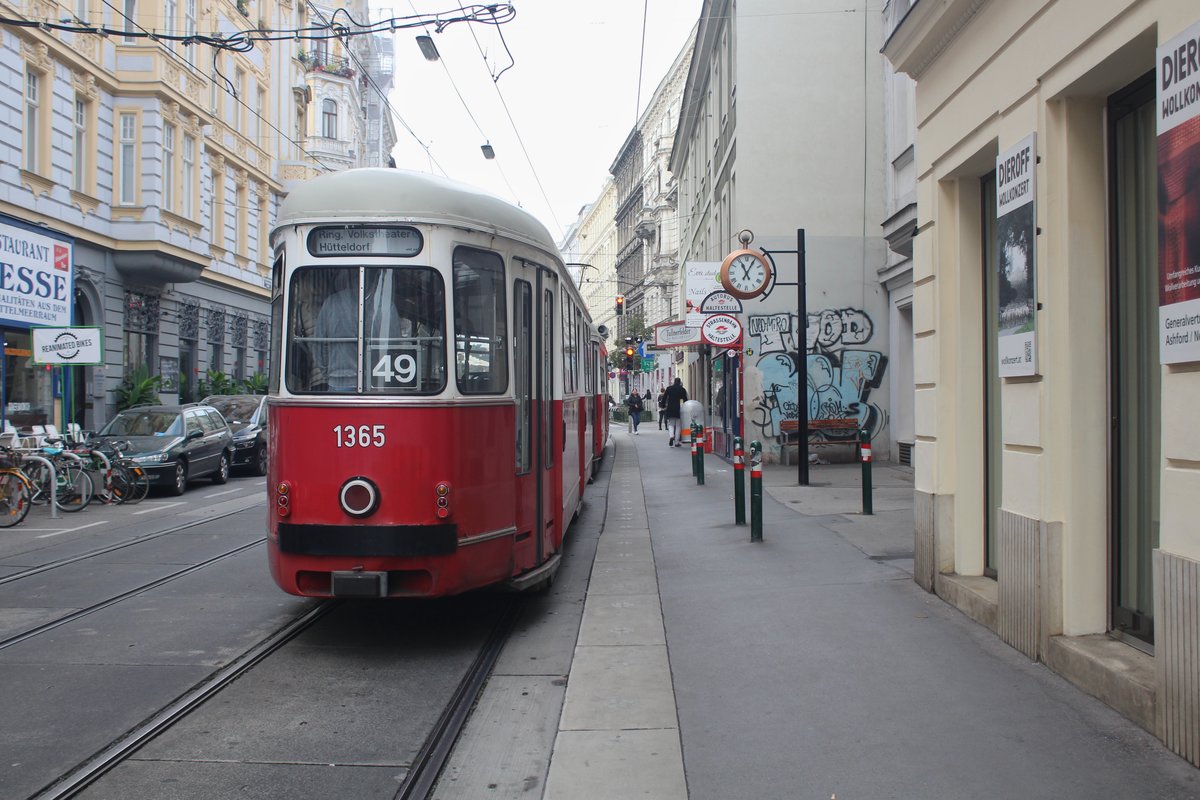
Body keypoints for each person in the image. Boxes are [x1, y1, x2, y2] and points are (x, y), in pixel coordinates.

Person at [663, 377, 688, 447]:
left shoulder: (669, 388)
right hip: (678, 408)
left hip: (670, 408)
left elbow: (664, 397)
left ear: (674, 382)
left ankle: (671, 436)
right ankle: (676, 442)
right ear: (680, 382)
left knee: (671, 424)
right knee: (678, 426)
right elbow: (685, 399)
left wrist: (662, 405)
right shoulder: (682, 389)